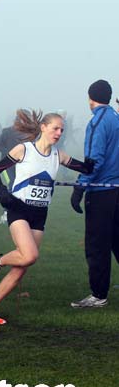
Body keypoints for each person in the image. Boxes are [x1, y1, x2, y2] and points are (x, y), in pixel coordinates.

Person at [0, 110, 93, 324]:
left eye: (62, 129)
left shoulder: (58, 156)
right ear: (43, 127)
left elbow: (85, 167)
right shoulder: (24, 150)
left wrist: (96, 161)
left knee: (22, 266)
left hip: (40, 214)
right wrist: (3, 190)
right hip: (19, 209)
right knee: (30, 255)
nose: (59, 133)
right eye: (55, 128)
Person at [70, 80, 119, 308]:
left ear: (90, 98)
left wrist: (80, 186)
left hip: (101, 192)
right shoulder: (116, 118)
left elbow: (94, 160)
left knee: (97, 245)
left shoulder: (98, 121)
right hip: (116, 190)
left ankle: (98, 295)